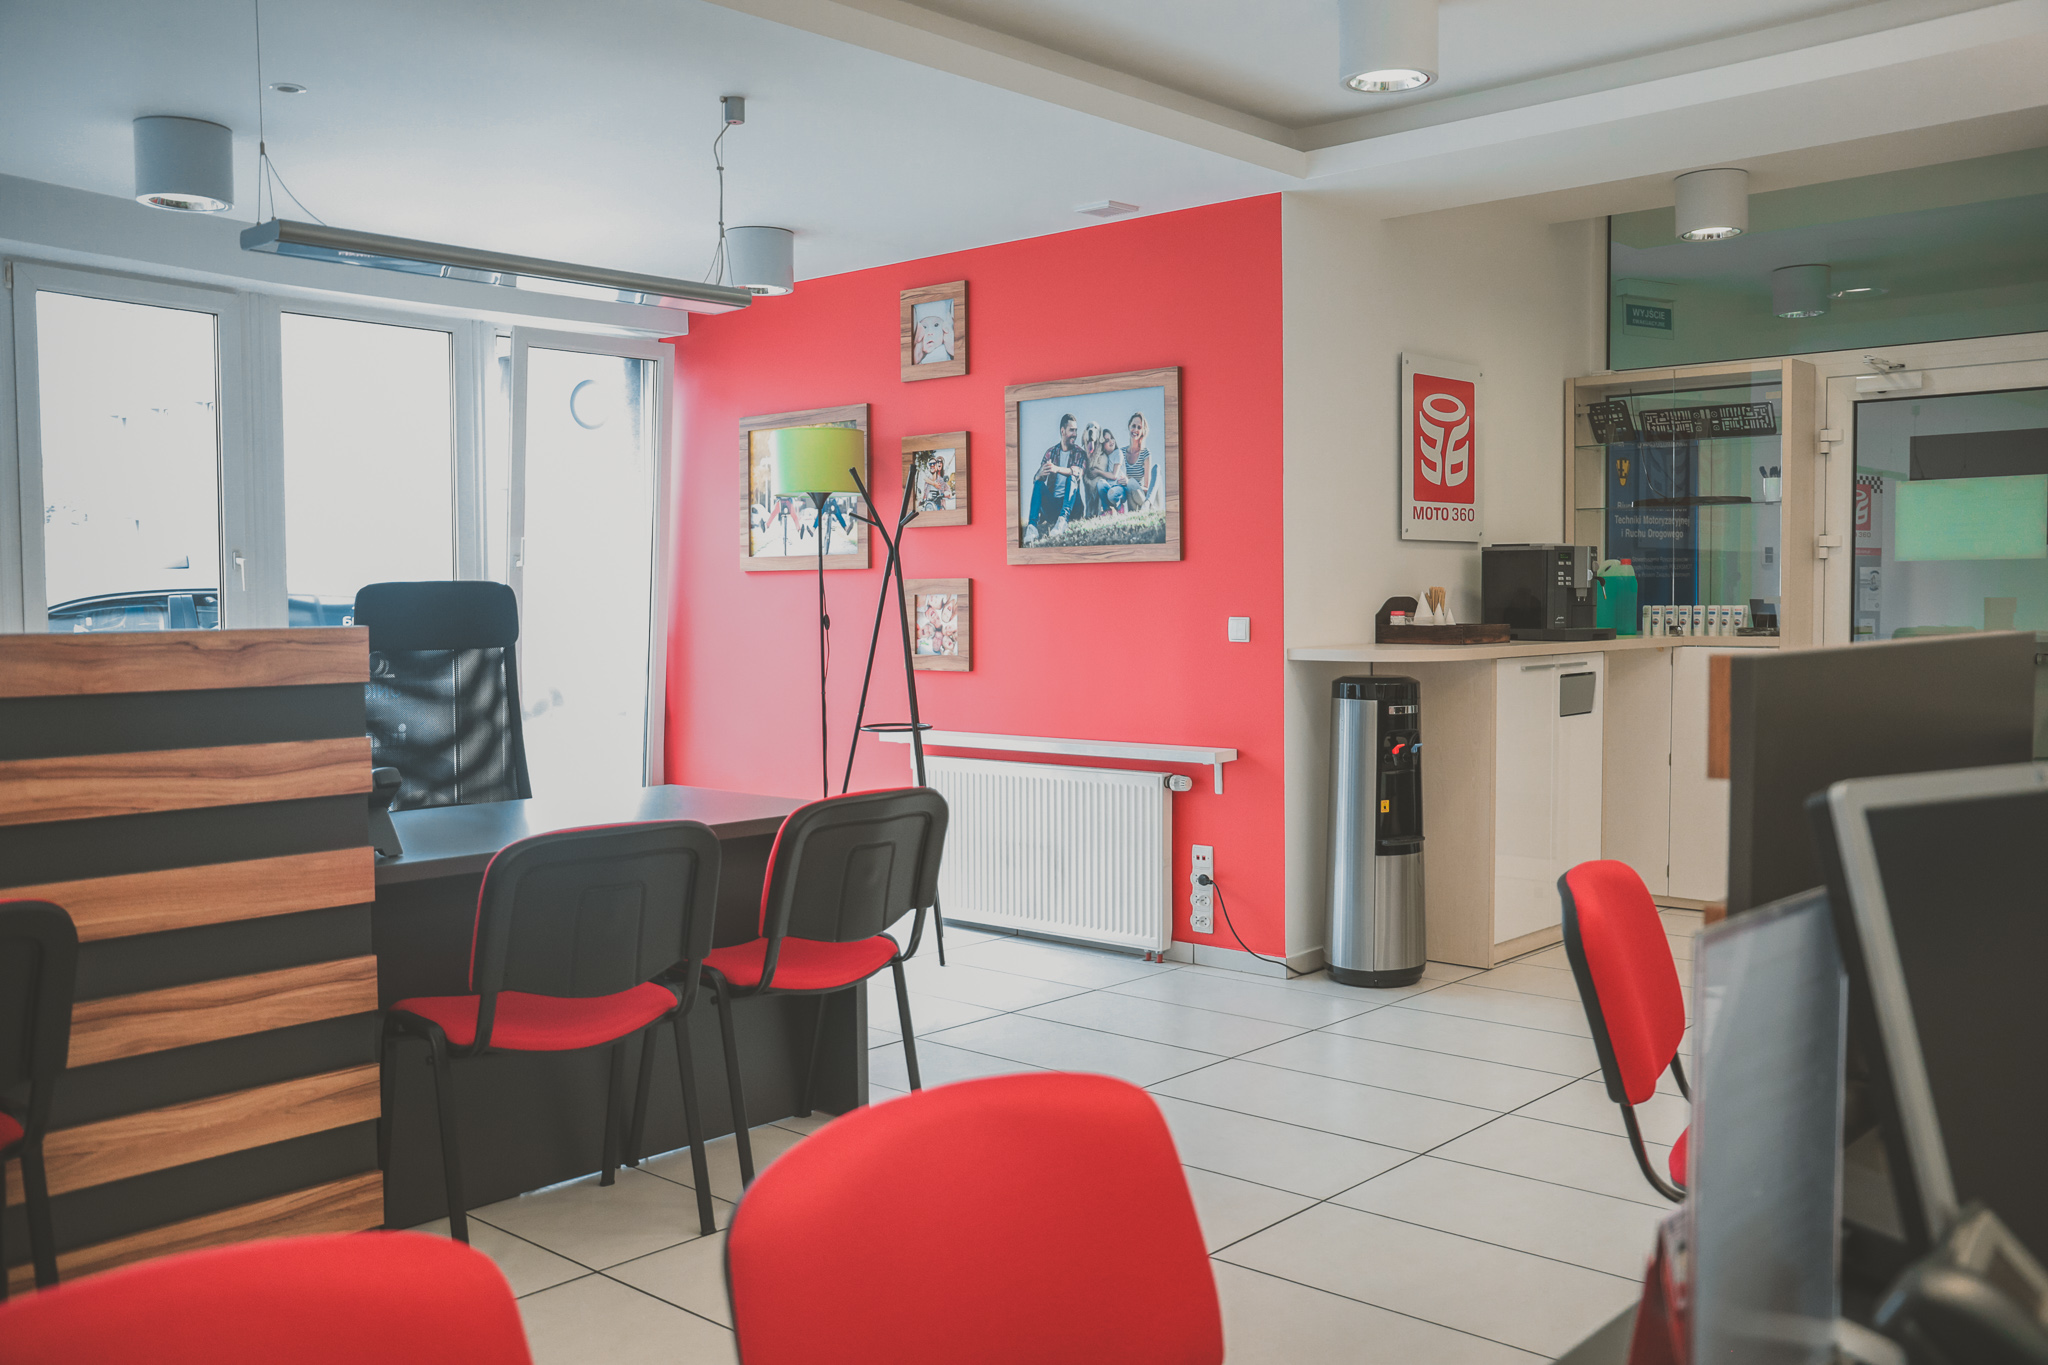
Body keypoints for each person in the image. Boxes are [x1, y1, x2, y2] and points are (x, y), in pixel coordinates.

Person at [1024, 413, 1085, 543]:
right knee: (1039, 484)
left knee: (1072, 478)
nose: (1075, 434)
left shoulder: (1079, 453)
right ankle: (1032, 527)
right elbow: (1037, 478)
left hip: (1072, 508)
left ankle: (1063, 520)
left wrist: (1057, 469)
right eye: (1071, 430)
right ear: (1063, 431)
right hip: (1052, 509)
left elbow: (1078, 473)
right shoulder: (1051, 453)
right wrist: (1038, 475)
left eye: (1076, 430)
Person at [1120, 412, 1160, 512]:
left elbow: (1147, 487)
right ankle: (1147, 509)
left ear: (1142, 431)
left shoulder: (1145, 453)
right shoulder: (1121, 452)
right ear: (1129, 426)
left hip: (1141, 496)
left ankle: (1148, 504)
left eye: (1139, 427)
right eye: (1133, 426)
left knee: (1156, 468)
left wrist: (1131, 483)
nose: (1135, 430)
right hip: (1130, 499)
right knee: (1130, 483)